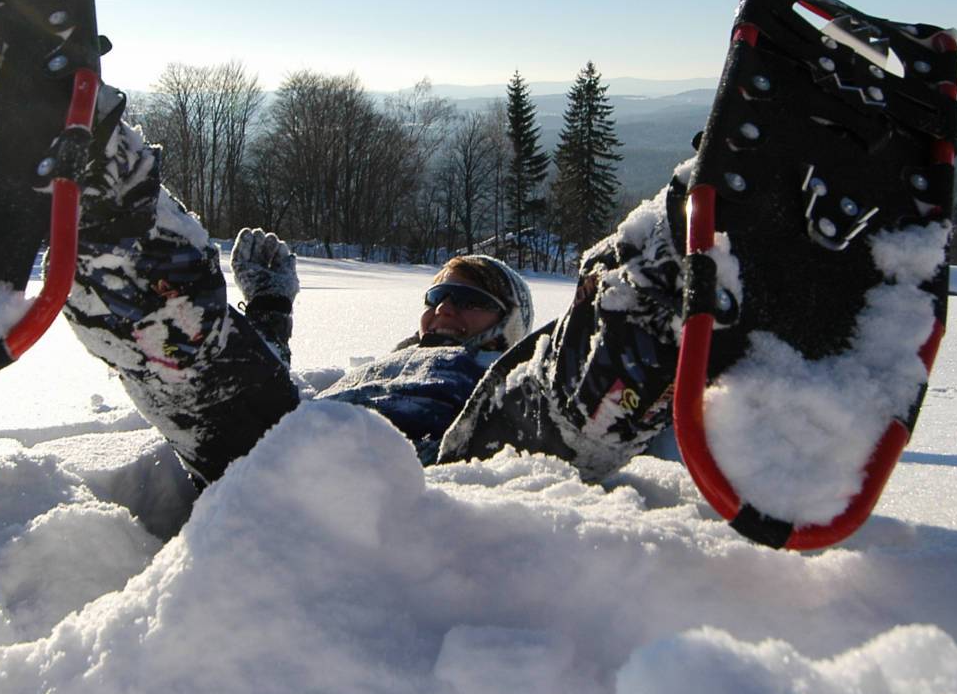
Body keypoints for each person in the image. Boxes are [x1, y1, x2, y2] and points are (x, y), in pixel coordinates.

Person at [61, 99, 688, 491]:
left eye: (469, 299)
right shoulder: (379, 367)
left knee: (560, 397)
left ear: (507, 326)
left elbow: (517, 411)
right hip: (284, 461)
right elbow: (269, 400)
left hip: (437, 476)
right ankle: (84, 175)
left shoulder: (493, 376)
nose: (443, 305)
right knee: (181, 331)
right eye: (438, 293)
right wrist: (271, 315)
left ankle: (670, 271)